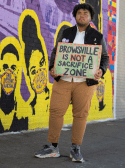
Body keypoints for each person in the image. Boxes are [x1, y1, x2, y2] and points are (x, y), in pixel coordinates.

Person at [34, 3, 109, 162]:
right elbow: (56, 51)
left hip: (85, 82)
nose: (82, 15)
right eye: (80, 13)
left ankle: (75, 148)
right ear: (75, 16)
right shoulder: (66, 32)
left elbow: (105, 58)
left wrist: (101, 70)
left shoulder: (98, 37)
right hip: (64, 80)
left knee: (81, 115)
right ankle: (53, 147)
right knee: (55, 111)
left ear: (90, 17)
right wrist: (52, 67)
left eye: (86, 13)